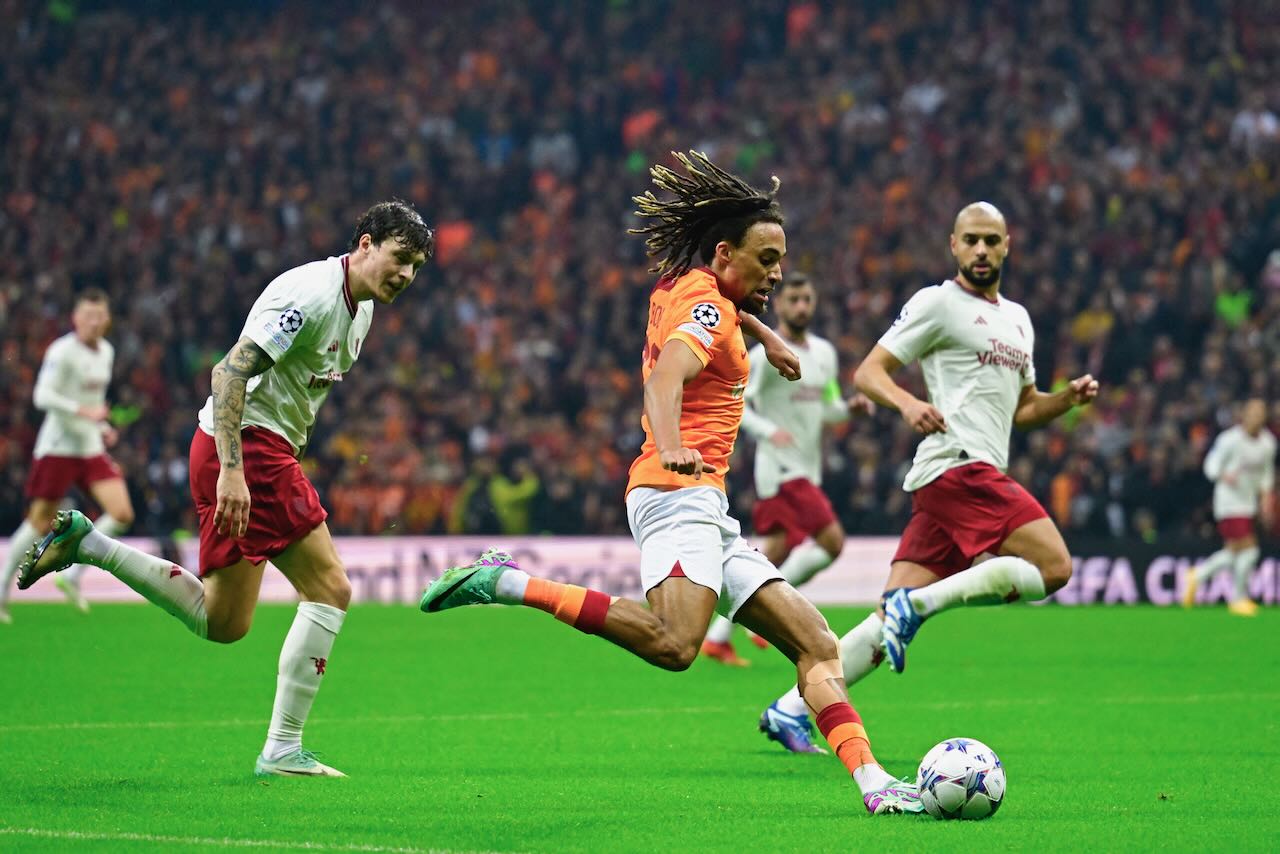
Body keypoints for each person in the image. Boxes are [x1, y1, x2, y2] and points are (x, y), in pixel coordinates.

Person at [419, 152, 921, 815]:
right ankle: (507, 583)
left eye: (780, 260)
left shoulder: (689, 287)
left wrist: (767, 335)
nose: (777, 272)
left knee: (818, 644)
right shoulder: (708, 309)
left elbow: (722, 311)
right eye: (767, 259)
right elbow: (665, 379)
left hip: (706, 505)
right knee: (675, 645)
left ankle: (876, 785)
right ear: (725, 253)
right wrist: (674, 442)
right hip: (674, 490)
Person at [18, 201, 434, 778]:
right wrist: (233, 471)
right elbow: (229, 373)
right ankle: (282, 749)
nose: (407, 275)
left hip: (241, 447)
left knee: (223, 621)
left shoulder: (358, 309)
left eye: (416, 267)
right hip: (246, 447)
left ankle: (89, 545)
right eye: (400, 258)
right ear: (366, 244)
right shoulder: (311, 296)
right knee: (331, 588)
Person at [762, 202, 1098, 753]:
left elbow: (1025, 408)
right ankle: (919, 606)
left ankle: (789, 709)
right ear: (954, 245)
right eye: (972, 240)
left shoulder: (1018, 319)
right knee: (1055, 567)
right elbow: (869, 373)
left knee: (882, 621)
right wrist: (908, 404)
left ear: (1007, 246)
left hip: (955, 478)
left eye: (992, 240)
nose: (982, 250)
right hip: (960, 465)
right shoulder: (938, 303)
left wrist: (1066, 399)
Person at [701, 272, 873, 669]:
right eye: (793, 299)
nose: (800, 307)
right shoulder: (764, 355)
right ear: (777, 305)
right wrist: (768, 432)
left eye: (806, 299)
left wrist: (849, 409)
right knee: (831, 541)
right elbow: (739, 403)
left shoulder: (825, 354)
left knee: (775, 549)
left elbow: (827, 407)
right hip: (779, 468)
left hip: (805, 468)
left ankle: (717, 638)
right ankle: (770, 616)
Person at [0, 289, 133, 622]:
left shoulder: (107, 352)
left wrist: (102, 426)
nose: (94, 322)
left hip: (89, 446)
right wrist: (84, 412)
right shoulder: (62, 351)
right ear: (75, 318)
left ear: (107, 319)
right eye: (88, 315)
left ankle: (72, 576)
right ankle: (1, 588)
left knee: (121, 513)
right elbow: (42, 396)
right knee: (38, 521)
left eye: (99, 316)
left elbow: (95, 402)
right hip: (58, 446)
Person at [1182, 398, 1275, 616]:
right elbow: (1210, 465)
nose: (1256, 417)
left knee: (1235, 551)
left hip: (1249, 502)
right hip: (1228, 501)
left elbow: (1266, 475)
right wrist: (1224, 475)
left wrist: (1265, 501)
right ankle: (1238, 598)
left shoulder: (1268, 444)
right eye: (1252, 413)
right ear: (1244, 415)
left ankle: (1197, 576)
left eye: (1260, 413)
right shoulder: (1229, 440)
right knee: (1249, 550)